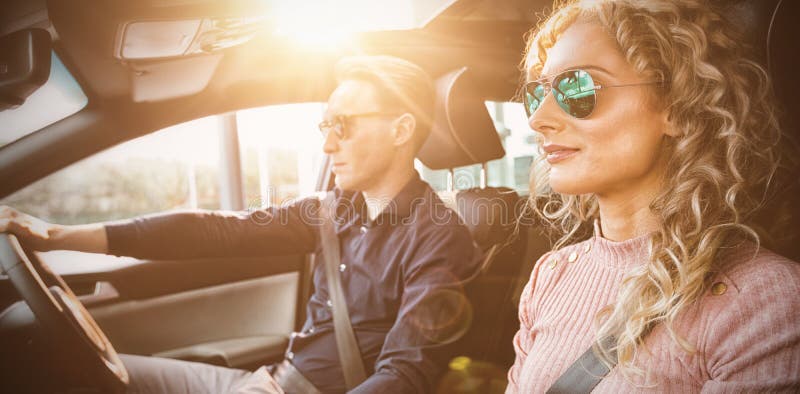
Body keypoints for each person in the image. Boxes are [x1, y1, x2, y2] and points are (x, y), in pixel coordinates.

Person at [0, 55, 481, 393]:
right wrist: (58, 235)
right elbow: (213, 230)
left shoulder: (438, 238)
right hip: (267, 379)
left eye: (344, 125)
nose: (328, 145)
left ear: (400, 129)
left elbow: (404, 374)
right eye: (324, 126)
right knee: (88, 372)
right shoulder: (332, 209)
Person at [508, 0, 800, 392]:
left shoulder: (764, 299)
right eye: (536, 94)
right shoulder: (551, 276)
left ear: (677, 108)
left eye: (576, 87)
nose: (537, 118)